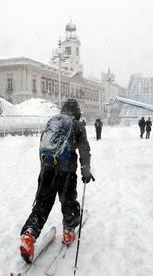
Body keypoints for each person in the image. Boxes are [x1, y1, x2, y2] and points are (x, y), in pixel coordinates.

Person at [19, 98, 94, 263]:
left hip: (47, 170)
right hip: (66, 172)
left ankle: (29, 235)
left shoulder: (53, 122)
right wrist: (85, 169)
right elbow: (84, 148)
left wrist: (44, 169)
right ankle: (68, 232)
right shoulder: (77, 125)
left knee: (42, 204)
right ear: (77, 111)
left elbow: (43, 144)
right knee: (68, 202)